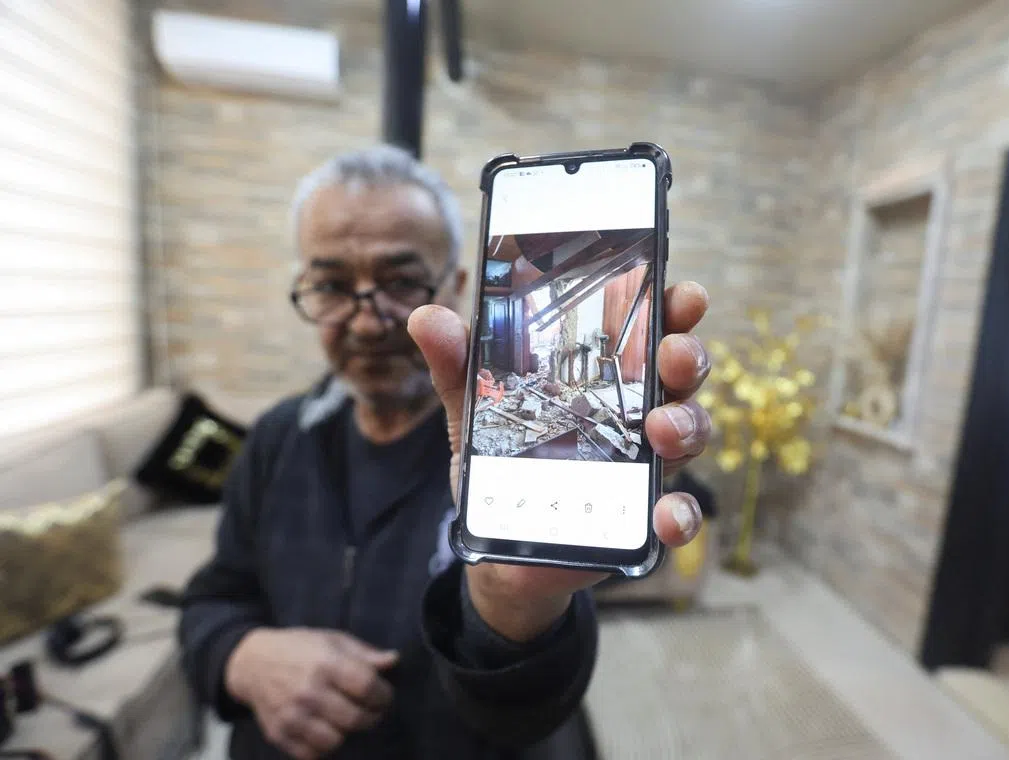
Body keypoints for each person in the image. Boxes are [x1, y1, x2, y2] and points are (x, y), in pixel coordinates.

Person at [178, 145, 714, 760]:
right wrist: (240, 655)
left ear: (459, 287)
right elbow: (215, 595)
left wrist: (515, 602)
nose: (366, 322)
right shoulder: (276, 438)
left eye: (401, 282)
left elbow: (532, 703)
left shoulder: (502, 460)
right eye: (330, 285)